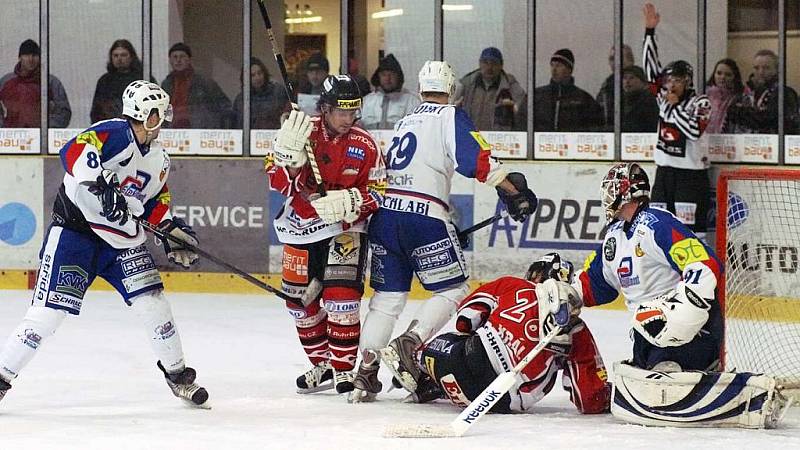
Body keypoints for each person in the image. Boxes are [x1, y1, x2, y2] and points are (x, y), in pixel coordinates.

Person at [0, 80, 208, 408]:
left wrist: (169, 230)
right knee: (47, 316)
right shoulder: (113, 133)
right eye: (156, 114)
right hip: (75, 236)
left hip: (122, 244)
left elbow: (153, 203)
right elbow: (72, 152)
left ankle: (177, 375)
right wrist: (100, 183)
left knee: (154, 304)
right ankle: (2, 378)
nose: (162, 120)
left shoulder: (159, 160)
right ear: (143, 114)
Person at [349, 61, 538, 403]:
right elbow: (477, 162)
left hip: (387, 217)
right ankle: (410, 343)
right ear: (451, 90)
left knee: (386, 301)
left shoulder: (405, 120)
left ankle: (365, 373)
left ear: (421, 89)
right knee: (454, 288)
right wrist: (514, 192)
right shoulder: (450, 116)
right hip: (425, 216)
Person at [573, 162, 786, 428]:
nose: (607, 196)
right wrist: (566, 291)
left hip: (690, 331)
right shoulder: (614, 237)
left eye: (612, 189)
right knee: (646, 384)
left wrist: (688, 307)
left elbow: (705, 264)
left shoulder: (658, 224)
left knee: (662, 387)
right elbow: (596, 286)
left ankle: (744, 392)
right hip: (648, 335)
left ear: (625, 192)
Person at [265, 75, 386, 395]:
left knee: (341, 299)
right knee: (300, 304)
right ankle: (323, 365)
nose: (348, 119)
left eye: (353, 111)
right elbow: (274, 181)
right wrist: (288, 163)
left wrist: (354, 202)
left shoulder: (365, 143)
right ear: (325, 108)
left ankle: (344, 368)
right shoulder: (299, 132)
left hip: (345, 228)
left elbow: (379, 191)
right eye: (341, 112)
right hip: (300, 228)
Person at [384, 253, 610, 415]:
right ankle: (438, 382)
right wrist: (608, 396)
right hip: (507, 400)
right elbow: (588, 398)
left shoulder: (511, 284)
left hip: (461, 360)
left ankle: (423, 368)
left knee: (449, 343)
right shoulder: (577, 329)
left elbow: (464, 322)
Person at [642, 3, 712, 237]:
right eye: (669, 80)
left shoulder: (701, 103)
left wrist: (673, 109)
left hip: (690, 176)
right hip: (664, 173)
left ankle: (696, 271)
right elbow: (650, 72)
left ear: (688, 82)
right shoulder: (663, 96)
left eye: (678, 81)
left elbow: (693, 131)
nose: (671, 85)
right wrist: (649, 33)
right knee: (658, 227)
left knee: (689, 231)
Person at [0, 39, 71, 128]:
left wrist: (45, 129)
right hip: (13, 139)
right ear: (20, 57)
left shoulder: (51, 82)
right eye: (26, 55)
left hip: (42, 139)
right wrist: (4, 130)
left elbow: (64, 111)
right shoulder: (6, 81)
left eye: (35, 55)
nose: (31, 59)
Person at [727, 49, 800, 135]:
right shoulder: (745, 93)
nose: (761, 72)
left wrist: (740, 112)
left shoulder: (785, 93)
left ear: (777, 70)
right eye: (756, 68)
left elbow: (768, 120)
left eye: (766, 68)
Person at [454, 47, 527, 131]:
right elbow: (451, 108)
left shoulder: (510, 86)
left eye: (494, 63)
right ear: (480, 63)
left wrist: (515, 108)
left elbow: (524, 111)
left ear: (501, 65)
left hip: (498, 140)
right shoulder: (467, 85)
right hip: (471, 137)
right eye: (485, 62)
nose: (489, 67)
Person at [161, 42, 232, 129]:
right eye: (175, 57)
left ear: (189, 59)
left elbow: (224, 106)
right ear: (170, 61)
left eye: (182, 56)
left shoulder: (203, 82)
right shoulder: (166, 84)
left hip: (199, 132)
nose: (178, 60)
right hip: (172, 132)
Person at [533, 48, 603, 132]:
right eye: (552, 65)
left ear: (569, 70)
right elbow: (522, 122)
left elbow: (596, 127)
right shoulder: (537, 95)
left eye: (559, 65)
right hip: (541, 144)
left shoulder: (584, 99)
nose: (554, 69)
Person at [90, 39, 146, 123]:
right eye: (115, 55)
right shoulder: (105, 81)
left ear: (131, 57)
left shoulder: (143, 79)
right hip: (110, 127)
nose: (119, 59)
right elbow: (96, 110)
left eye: (123, 55)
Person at [360, 53, 420, 130]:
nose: (387, 78)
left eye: (392, 74)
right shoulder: (366, 101)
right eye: (384, 75)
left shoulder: (412, 101)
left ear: (399, 77)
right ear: (378, 77)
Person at [233, 57, 290, 129]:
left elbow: (288, 114)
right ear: (246, 78)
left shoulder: (278, 91)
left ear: (264, 73)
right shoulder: (241, 100)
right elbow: (237, 126)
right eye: (252, 75)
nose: (257, 78)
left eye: (259, 73)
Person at [705, 58, 751, 134]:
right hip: (705, 140)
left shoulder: (741, 98)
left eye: (728, 75)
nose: (722, 77)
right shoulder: (705, 95)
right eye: (719, 73)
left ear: (734, 77)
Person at [597, 44, 635, 129]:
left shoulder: (641, 83)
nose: (614, 62)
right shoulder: (607, 85)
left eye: (617, 58)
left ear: (630, 60)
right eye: (611, 59)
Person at [621, 65, 659, 132]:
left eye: (632, 78)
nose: (627, 81)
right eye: (624, 78)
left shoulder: (649, 101)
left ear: (643, 82)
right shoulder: (620, 101)